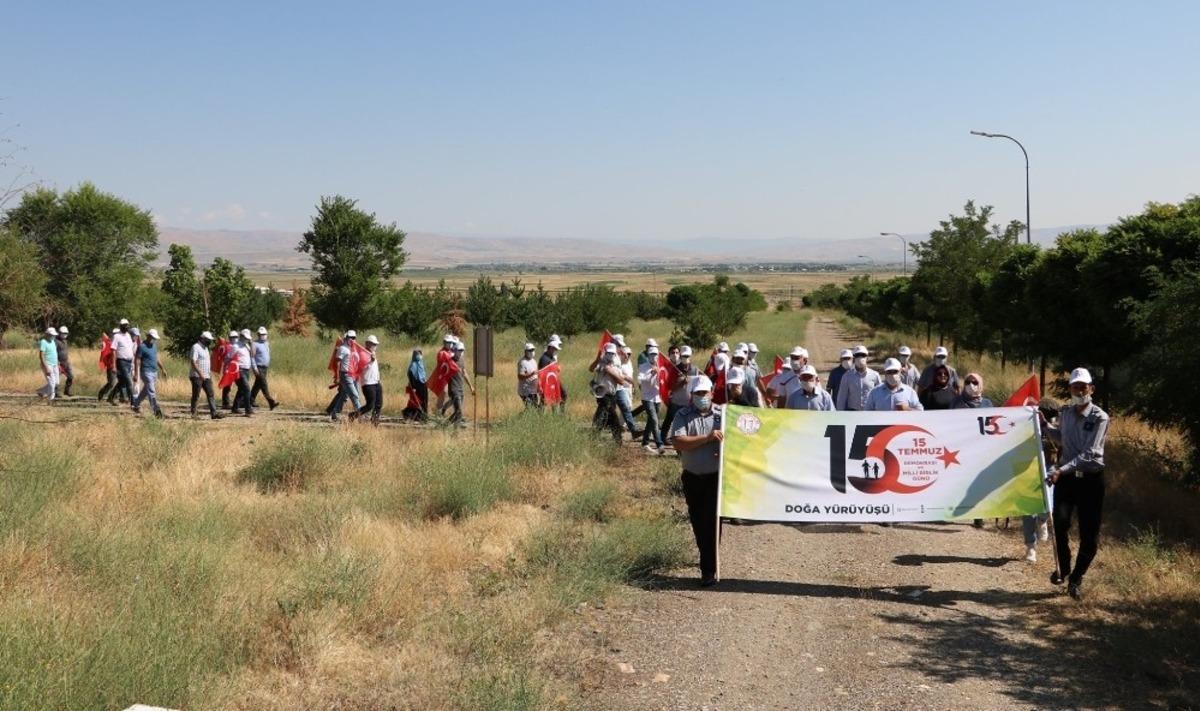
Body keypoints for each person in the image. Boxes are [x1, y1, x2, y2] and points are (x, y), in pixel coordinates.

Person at [1042, 368, 1110, 601]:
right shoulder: (1067, 413)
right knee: (1059, 523)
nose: (1079, 391)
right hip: (1068, 479)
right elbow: (1062, 438)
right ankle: (1064, 567)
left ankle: (1076, 579)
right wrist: (1044, 427)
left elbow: (1090, 453)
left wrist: (1060, 469)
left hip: (1090, 481)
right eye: (1075, 387)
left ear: (1091, 388)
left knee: (1089, 536)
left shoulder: (1100, 417)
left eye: (1083, 387)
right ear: (1070, 389)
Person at [670, 375, 723, 587]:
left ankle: (708, 568)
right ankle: (707, 558)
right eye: (698, 393)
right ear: (691, 395)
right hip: (692, 478)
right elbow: (679, 442)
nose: (702, 397)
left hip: (715, 478)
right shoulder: (682, 415)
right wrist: (707, 438)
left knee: (713, 522)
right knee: (698, 522)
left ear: (712, 393)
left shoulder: (722, 415)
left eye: (705, 393)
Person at [663, 345, 699, 446]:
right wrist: (682, 383)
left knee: (688, 425)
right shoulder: (674, 369)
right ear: (681, 356)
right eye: (683, 356)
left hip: (689, 403)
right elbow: (670, 387)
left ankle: (685, 445)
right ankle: (665, 440)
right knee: (673, 423)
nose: (685, 358)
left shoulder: (695, 370)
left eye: (687, 356)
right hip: (676, 402)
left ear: (690, 356)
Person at [133, 329, 167, 417]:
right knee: (151, 391)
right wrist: (136, 374)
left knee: (145, 391)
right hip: (146, 372)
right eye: (153, 338)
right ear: (148, 336)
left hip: (154, 372)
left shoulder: (154, 346)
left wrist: (162, 369)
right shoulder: (141, 347)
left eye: (155, 338)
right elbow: (137, 360)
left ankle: (135, 404)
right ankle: (156, 410)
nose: (154, 340)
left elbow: (157, 358)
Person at [330, 330, 363, 422]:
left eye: (354, 338)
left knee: (344, 396)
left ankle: (335, 412)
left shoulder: (354, 349)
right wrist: (337, 376)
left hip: (354, 375)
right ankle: (361, 415)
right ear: (346, 338)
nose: (352, 339)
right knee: (354, 395)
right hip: (346, 375)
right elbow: (337, 362)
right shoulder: (343, 348)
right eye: (350, 337)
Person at [835, 345, 881, 412]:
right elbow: (842, 397)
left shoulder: (875, 375)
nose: (860, 357)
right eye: (857, 355)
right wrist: (839, 414)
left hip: (870, 412)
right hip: (852, 413)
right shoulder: (847, 376)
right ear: (854, 358)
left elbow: (880, 396)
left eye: (863, 355)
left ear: (867, 358)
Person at [638, 344, 665, 454]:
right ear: (648, 355)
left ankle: (645, 442)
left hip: (657, 397)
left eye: (656, 354)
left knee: (651, 421)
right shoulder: (643, 366)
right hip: (646, 397)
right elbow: (641, 381)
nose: (654, 356)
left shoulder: (661, 366)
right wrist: (651, 373)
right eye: (652, 354)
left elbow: (664, 380)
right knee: (654, 419)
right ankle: (659, 444)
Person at [189, 331, 222, 419]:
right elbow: (193, 362)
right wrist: (200, 374)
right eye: (208, 340)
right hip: (196, 376)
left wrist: (208, 373)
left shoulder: (206, 348)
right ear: (203, 339)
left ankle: (214, 413)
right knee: (196, 395)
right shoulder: (195, 347)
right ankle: (194, 414)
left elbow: (207, 362)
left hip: (206, 375)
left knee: (210, 393)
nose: (209, 341)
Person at [249, 326, 279, 411]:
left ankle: (249, 400)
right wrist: (254, 368)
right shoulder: (254, 344)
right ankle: (271, 402)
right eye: (261, 334)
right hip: (259, 367)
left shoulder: (266, 343)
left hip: (265, 368)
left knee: (257, 385)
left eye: (264, 334)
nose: (263, 336)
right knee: (264, 384)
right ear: (258, 335)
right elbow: (252, 357)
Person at [230, 329, 257, 417]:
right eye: (245, 337)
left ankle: (235, 408)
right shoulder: (235, 346)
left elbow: (253, 354)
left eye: (247, 338)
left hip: (246, 370)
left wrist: (251, 342)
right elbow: (230, 358)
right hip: (239, 370)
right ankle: (248, 410)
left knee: (241, 390)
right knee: (246, 389)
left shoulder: (247, 345)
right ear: (241, 336)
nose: (246, 339)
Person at [446, 340, 473, 426]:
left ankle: (445, 425)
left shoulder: (461, 360)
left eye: (462, 350)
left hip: (461, 389)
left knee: (458, 412)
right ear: (455, 350)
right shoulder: (450, 361)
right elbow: (444, 373)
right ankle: (455, 431)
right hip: (454, 390)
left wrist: (471, 386)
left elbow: (464, 373)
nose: (461, 352)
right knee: (459, 412)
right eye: (459, 350)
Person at [110, 319, 137, 405]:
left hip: (129, 362)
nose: (126, 327)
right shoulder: (117, 336)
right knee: (129, 381)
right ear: (121, 326)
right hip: (121, 362)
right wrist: (114, 365)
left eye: (127, 325)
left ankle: (111, 397)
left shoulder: (128, 335)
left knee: (122, 382)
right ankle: (133, 402)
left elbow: (130, 348)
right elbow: (113, 351)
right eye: (124, 325)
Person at [357, 334, 383, 424]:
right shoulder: (362, 354)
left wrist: (378, 379)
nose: (375, 346)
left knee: (379, 404)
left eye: (376, 344)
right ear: (367, 344)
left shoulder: (373, 354)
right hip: (368, 383)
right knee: (370, 405)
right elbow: (361, 368)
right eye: (373, 344)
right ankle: (353, 415)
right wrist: (370, 361)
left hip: (376, 382)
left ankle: (375, 422)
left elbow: (375, 369)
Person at [539, 335, 566, 412]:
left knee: (562, 395)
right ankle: (540, 415)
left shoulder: (552, 356)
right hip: (548, 382)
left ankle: (560, 414)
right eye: (555, 348)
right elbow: (542, 373)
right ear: (551, 347)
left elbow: (554, 368)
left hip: (554, 380)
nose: (556, 350)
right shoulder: (544, 358)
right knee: (545, 400)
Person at [98, 328, 124, 403]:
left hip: (120, 365)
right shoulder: (109, 343)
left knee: (121, 382)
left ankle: (113, 397)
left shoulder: (120, 342)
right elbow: (103, 343)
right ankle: (102, 392)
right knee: (112, 383)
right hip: (111, 366)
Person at [402, 348, 428, 422]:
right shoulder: (413, 365)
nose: (419, 356)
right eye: (418, 354)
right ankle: (409, 414)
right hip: (416, 385)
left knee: (424, 401)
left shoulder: (421, 363)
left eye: (420, 354)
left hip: (423, 384)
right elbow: (410, 375)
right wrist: (413, 387)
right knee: (417, 401)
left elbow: (423, 374)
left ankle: (423, 416)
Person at [36, 327, 59, 402]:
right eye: (52, 335)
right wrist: (46, 368)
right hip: (47, 365)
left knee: (56, 383)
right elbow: (41, 356)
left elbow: (54, 352)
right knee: (52, 384)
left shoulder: (53, 341)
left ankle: (41, 391)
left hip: (55, 364)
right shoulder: (43, 341)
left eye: (54, 335)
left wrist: (57, 363)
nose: (53, 336)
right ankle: (51, 400)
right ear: (47, 334)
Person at [219, 329, 239, 409]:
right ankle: (225, 403)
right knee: (227, 386)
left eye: (236, 337)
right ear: (230, 338)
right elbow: (224, 358)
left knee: (238, 385)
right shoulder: (226, 347)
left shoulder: (237, 346)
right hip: (228, 368)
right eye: (233, 337)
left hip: (235, 369)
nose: (234, 338)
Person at [517, 342, 540, 408]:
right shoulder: (522, 362)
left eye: (533, 350)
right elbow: (520, 377)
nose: (532, 351)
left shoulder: (534, 361)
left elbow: (536, 374)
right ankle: (519, 418)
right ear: (525, 351)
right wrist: (531, 374)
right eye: (530, 350)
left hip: (533, 390)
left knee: (534, 408)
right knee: (530, 408)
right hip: (525, 391)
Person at [54, 326, 73, 397]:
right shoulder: (56, 341)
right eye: (63, 333)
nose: (65, 334)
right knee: (56, 378)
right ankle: (56, 392)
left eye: (66, 333)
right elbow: (54, 352)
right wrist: (57, 362)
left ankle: (67, 390)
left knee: (71, 376)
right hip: (58, 362)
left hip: (66, 362)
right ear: (59, 333)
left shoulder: (65, 341)